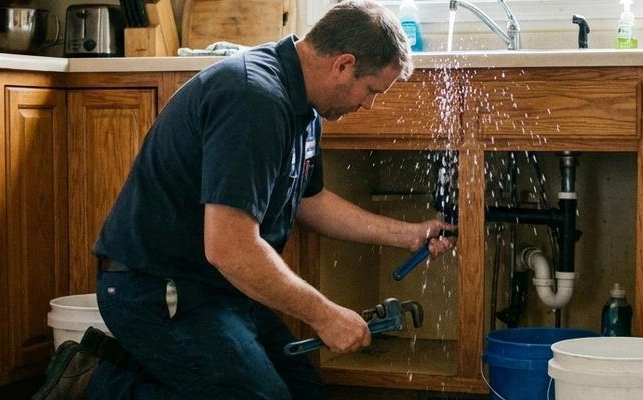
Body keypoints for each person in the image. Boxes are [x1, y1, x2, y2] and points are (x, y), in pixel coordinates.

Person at [32, 1, 456, 399]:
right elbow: (230, 248)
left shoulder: (304, 109)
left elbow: (312, 201)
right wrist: (325, 313)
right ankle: (93, 383)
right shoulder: (254, 98)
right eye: (370, 90)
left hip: (218, 289)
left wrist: (410, 235)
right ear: (343, 64)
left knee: (306, 392)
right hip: (156, 288)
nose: (368, 104)